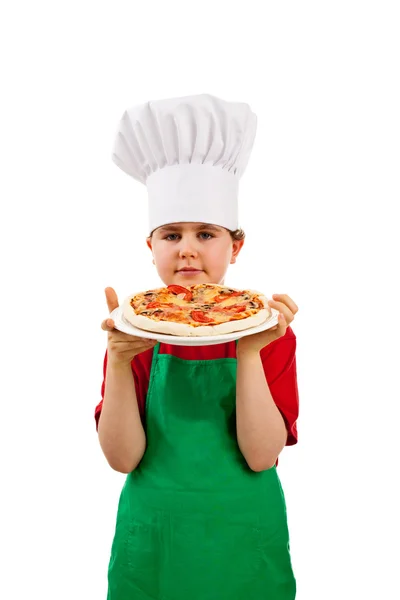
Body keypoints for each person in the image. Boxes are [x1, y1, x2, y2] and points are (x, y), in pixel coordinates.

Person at [95, 94, 300, 599]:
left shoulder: (268, 332)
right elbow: (122, 459)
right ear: (151, 247)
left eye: (205, 233)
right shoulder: (135, 330)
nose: (186, 248)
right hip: (155, 541)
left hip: (242, 535)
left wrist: (249, 350)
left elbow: (260, 456)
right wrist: (120, 364)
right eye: (170, 234)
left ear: (236, 245)